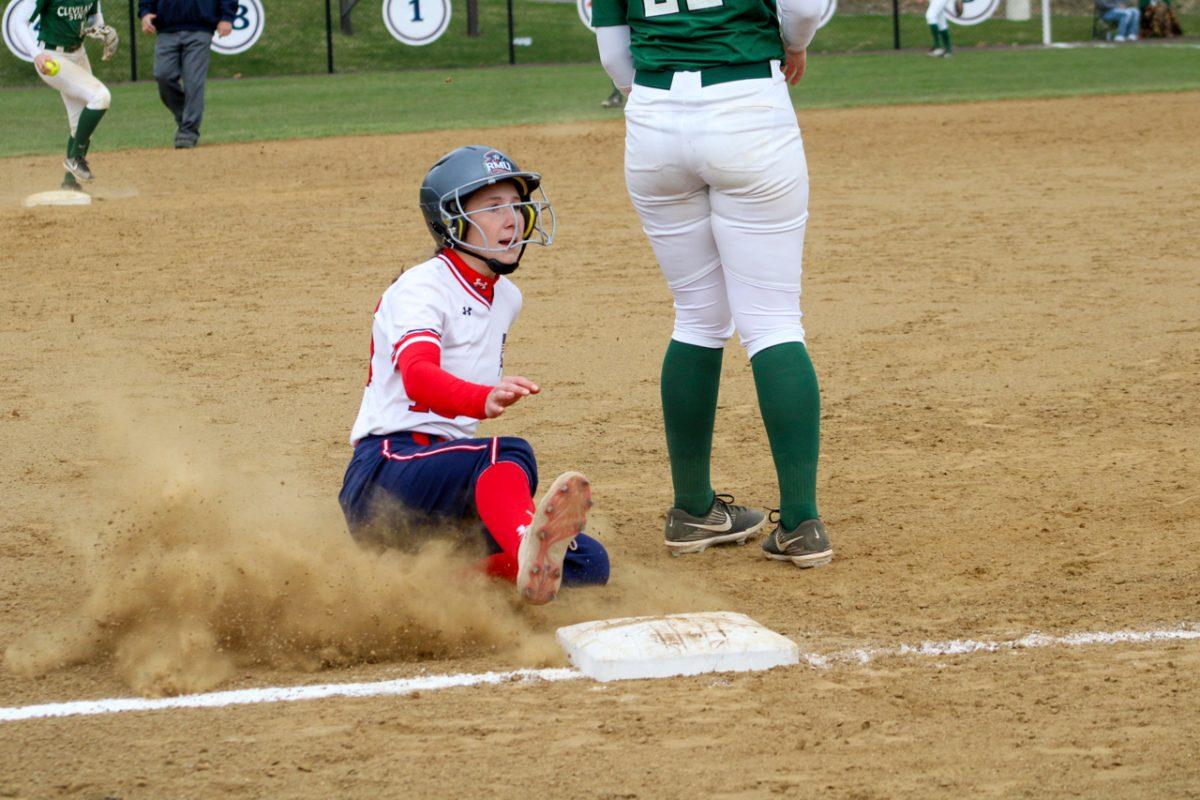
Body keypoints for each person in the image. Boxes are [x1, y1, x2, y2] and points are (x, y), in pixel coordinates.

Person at [591, 0, 833, 569]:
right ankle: (800, 521)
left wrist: (660, 101)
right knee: (772, 320)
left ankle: (692, 509)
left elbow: (611, 52)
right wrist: (795, 44)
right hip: (747, 101)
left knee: (697, 315)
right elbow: (799, 8)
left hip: (653, 113)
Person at [338, 145, 610, 604]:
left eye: (517, 204)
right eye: (493, 206)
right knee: (509, 453)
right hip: (386, 476)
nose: (514, 219)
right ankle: (526, 540)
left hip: (450, 489)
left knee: (588, 564)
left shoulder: (507, 297)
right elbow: (418, 376)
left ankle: (435, 589)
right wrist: (480, 398)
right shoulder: (422, 286)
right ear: (452, 223)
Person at [28, 0, 118, 188]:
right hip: (52, 58)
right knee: (100, 97)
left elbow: (94, 19)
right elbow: (20, 23)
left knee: (81, 125)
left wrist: (102, 32)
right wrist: (35, 53)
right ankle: (76, 158)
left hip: (78, 54)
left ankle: (69, 182)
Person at [138, 0, 236, 149]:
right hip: (167, 28)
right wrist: (145, 13)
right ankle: (185, 117)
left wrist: (227, 17)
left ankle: (188, 133)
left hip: (200, 28)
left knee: (194, 82)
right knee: (163, 75)